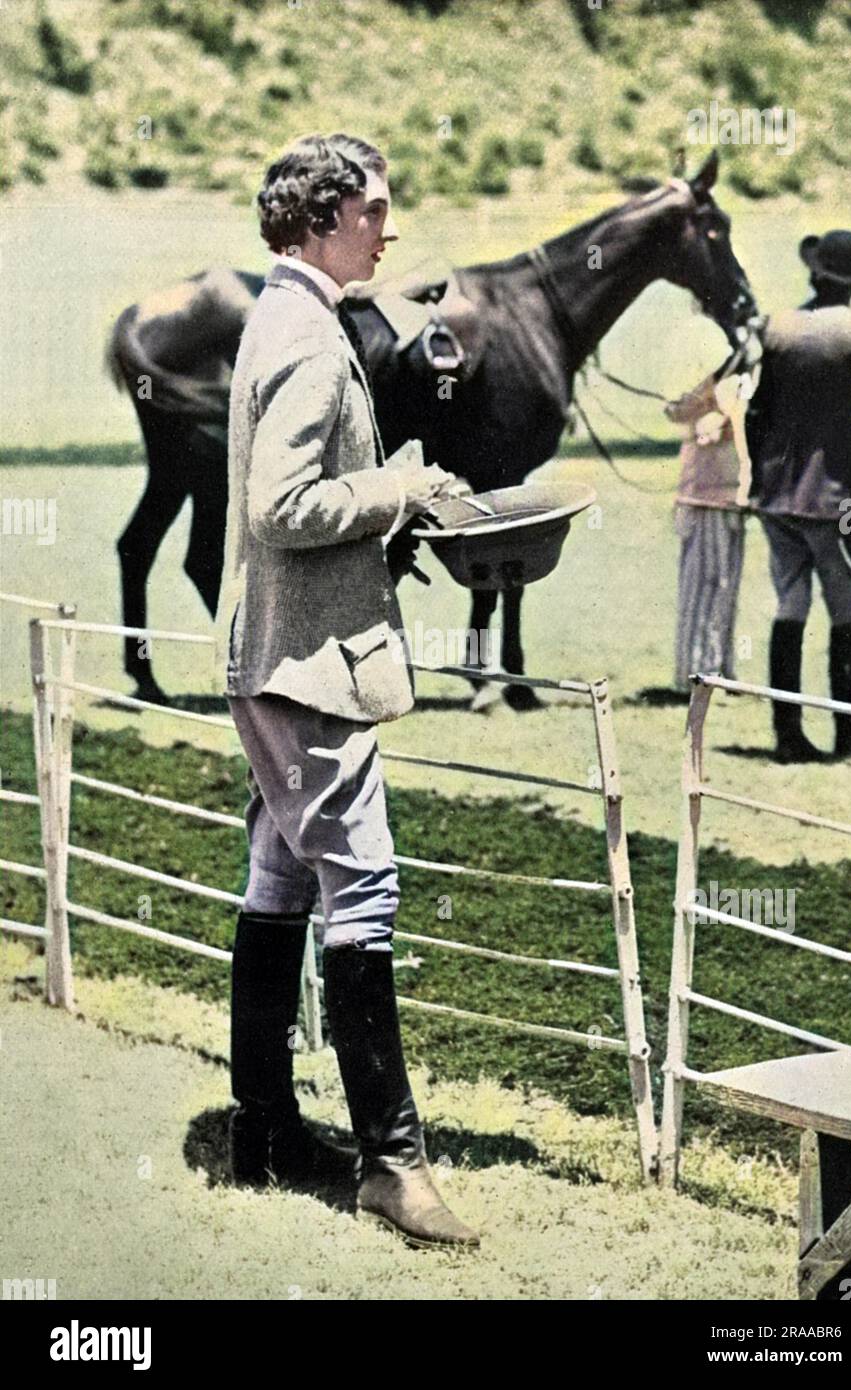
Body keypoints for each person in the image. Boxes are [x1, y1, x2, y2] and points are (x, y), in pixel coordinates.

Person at [214, 132, 480, 1249]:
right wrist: (397, 487)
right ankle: (391, 1162)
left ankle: (264, 1130)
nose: (389, 225)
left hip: (273, 650)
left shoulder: (280, 316)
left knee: (281, 876)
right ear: (322, 217)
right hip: (305, 661)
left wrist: (384, 488)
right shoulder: (314, 341)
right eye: (374, 208)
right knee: (362, 884)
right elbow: (284, 507)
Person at [746, 229, 851, 763]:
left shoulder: (777, 327)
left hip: (777, 494)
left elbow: (757, 413)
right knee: (845, 605)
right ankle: (849, 731)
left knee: (791, 604)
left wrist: (761, 479)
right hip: (834, 494)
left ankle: (788, 733)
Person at [665, 365, 747, 696]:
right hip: (704, 496)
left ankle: (717, 668)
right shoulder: (704, 376)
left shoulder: (736, 379)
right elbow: (674, 410)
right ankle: (699, 672)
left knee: (722, 587)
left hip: (727, 495)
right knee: (707, 586)